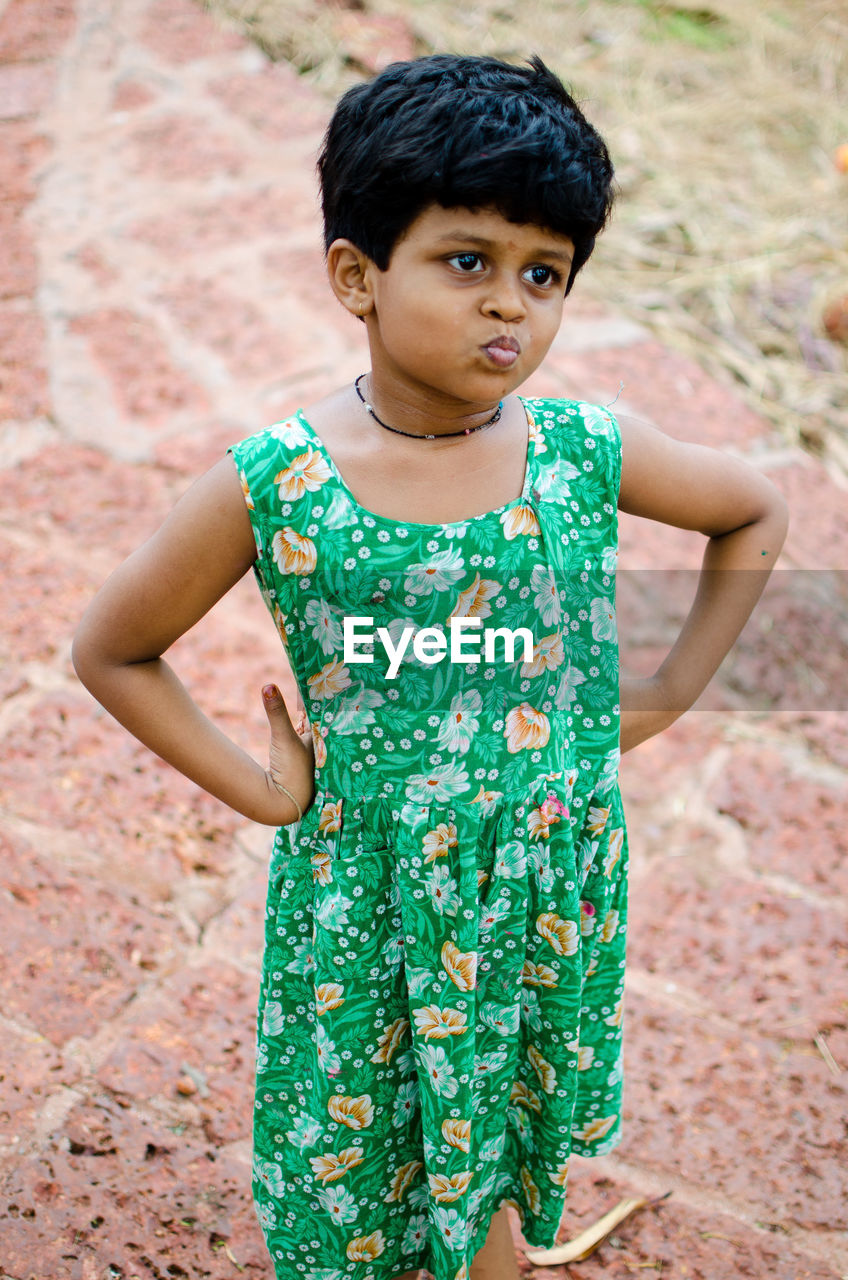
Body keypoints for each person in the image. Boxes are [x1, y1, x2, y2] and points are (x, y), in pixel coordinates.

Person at [72, 52, 788, 1280]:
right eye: (468, 263)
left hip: (537, 881)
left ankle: (495, 1249)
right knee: (363, 1125)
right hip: (368, 898)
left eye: (543, 275)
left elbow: (752, 513)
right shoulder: (277, 482)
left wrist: (665, 691)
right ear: (356, 273)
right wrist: (262, 786)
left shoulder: (580, 450)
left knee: (504, 1096)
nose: (509, 306)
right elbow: (113, 647)